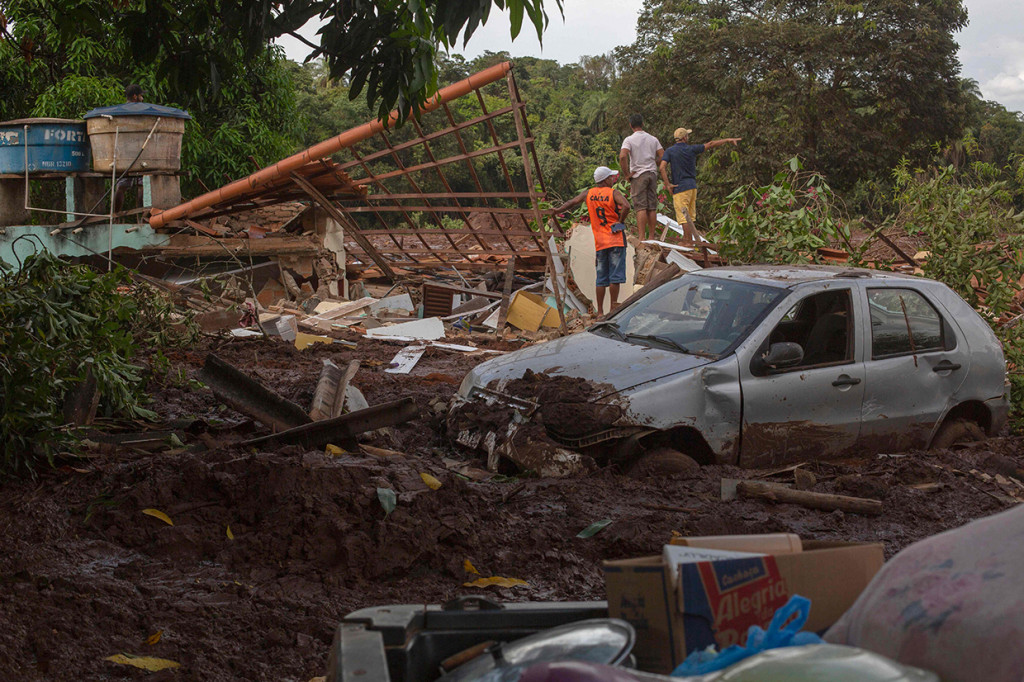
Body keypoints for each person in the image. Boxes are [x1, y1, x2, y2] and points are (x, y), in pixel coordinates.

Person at [552, 166, 631, 317]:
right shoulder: (613, 193)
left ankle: (600, 312)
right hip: (615, 241)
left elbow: (572, 202)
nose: (612, 179)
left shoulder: (589, 194)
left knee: (601, 278)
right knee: (615, 277)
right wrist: (620, 222)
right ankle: (613, 310)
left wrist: (557, 210)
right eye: (611, 177)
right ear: (606, 179)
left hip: (600, 243)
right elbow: (626, 206)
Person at [659, 127, 741, 240]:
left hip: (680, 187)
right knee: (690, 217)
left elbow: (662, 167)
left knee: (683, 217)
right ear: (684, 138)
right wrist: (727, 140)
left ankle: (687, 241)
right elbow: (711, 144)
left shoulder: (670, 151)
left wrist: (668, 184)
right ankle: (690, 241)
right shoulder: (692, 149)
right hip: (692, 187)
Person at [618, 114, 663, 242]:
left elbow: (622, 156)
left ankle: (642, 238)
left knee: (641, 207)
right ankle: (652, 237)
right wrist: (655, 164)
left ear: (630, 125)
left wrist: (627, 174)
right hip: (652, 174)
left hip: (638, 175)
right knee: (652, 207)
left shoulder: (629, 140)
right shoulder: (653, 139)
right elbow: (662, 155)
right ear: (642, 124)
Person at [112, 84, 145, 214]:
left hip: (124, 153)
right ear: (135, 96)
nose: (142, 98)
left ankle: (115, 215)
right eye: (141, 95)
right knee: (142, 185)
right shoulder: (142, 111)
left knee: (121, 186)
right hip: (139, 152)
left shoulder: (120, 111)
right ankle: (141, 216)